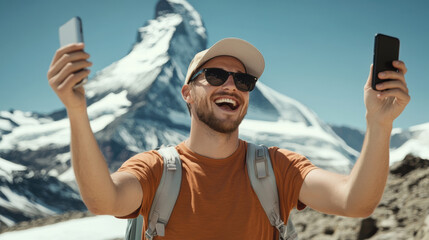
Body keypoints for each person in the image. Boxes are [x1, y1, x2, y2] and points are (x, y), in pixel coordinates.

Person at [47, 38, 410, 239]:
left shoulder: (276, 168)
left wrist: (378, 124)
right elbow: (102, 199)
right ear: (187, 92)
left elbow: (355, 203)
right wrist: (78, 112)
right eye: (216, 75)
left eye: (244, 81)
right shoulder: (156, 169)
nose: (231, 86)